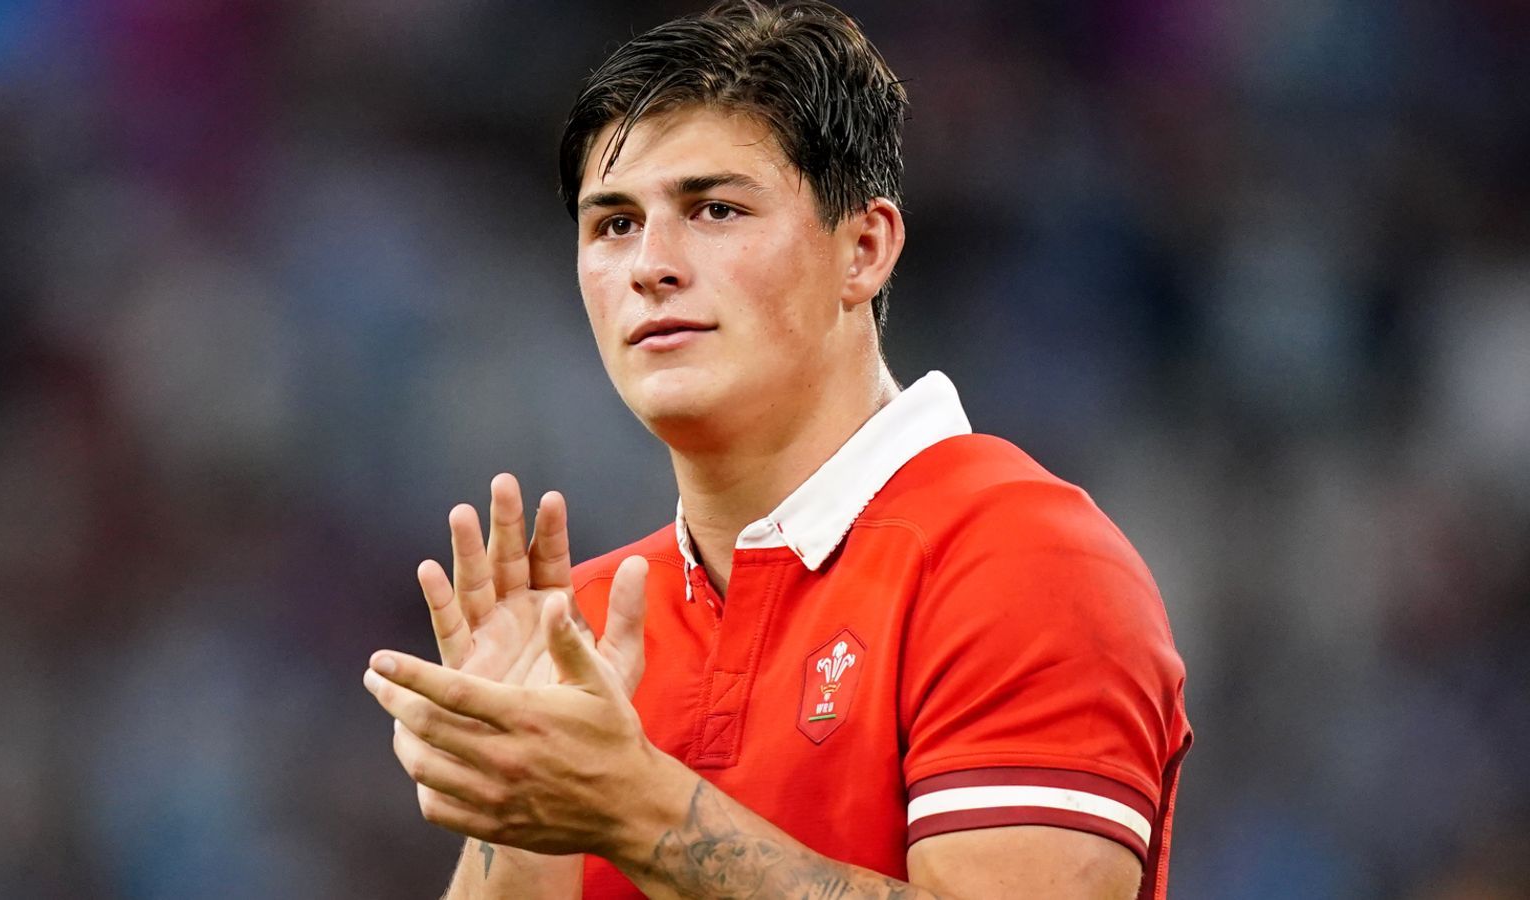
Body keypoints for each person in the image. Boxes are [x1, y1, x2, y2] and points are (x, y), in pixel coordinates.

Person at [361, 1, 1192, 897]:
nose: (650, 265)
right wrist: (520, 815)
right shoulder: (585, 627)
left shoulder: (1024, 560)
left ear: (863, 249)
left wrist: (637, 811)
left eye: (715, 209)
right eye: (614, 224)